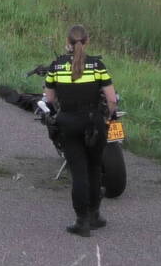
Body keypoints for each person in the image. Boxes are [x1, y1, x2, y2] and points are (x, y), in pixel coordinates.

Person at [42, 25, 117, 238]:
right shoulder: (97, 66)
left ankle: (81, 221)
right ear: (87, 41)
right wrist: (108, 116)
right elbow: (111, 99)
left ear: (67, 41)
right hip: (93, 123)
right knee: (94, 168)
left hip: (68, 122)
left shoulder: (56, 66)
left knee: (78, 172)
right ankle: (95, 215)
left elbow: (49, 99)